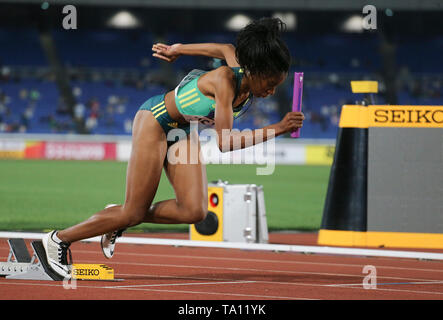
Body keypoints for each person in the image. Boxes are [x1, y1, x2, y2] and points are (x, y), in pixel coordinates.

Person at [42, 17, 305, 279]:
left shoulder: (243, 69)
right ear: (254, 71)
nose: (271, 92)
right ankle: (57, 240)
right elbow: (224, 143)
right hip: (156, 121)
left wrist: (178, 49)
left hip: (183, 131)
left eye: (276, 86)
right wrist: (278, 129)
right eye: (270, 84)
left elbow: (224, 48)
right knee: (132, 212)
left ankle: (118, 216)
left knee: (194, 210)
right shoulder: (226, 81)